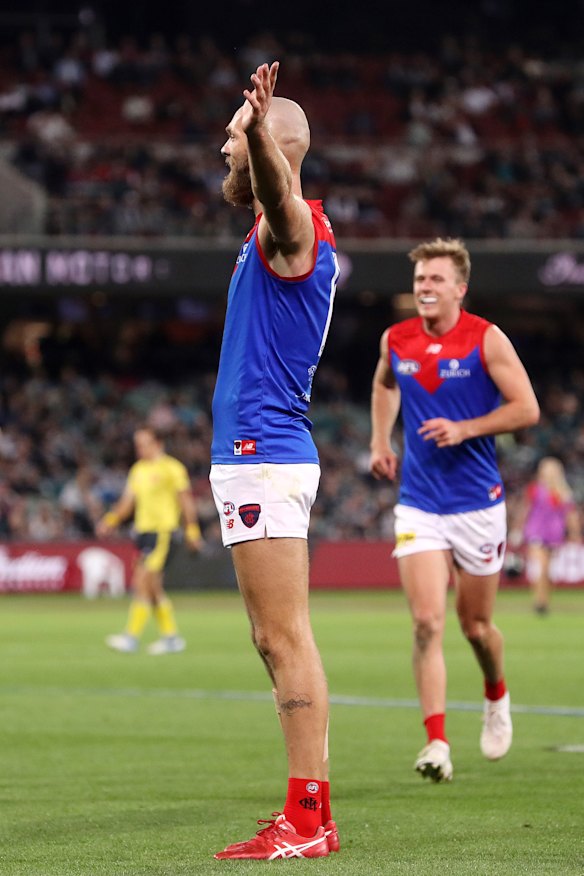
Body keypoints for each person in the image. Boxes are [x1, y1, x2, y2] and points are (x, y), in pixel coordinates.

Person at [209, 61, 340, 860]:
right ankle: (309, 812)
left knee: (284, 638)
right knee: (276, 638)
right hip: (255, 457)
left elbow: (280, 198)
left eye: (235, 135)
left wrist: (258, 133)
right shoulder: (269, 241)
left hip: (266, 457)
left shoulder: (291, 233)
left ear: (271, 146)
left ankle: (307, 820)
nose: (223, 146)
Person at [369, 237, 540, 783]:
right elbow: (383, 384)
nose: (424, 287)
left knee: (476, 626)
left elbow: (527, 409)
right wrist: (380, 441)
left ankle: (495, 695)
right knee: (425, 622)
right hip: (420, 504)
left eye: (436, 279)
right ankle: (437, 742)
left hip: (478, 504)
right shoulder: (396, 338)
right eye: (420, 279)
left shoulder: (485, 339)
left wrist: (466, 428)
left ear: (459, 289)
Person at [96, 425, 203, 655]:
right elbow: (127, 502)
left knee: (142, 581)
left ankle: (131, 637)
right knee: (153, 588)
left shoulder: (172, 468)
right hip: (143, 533)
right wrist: (111, 519)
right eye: (137, 445)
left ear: (158, 443)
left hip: (162, 533)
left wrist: (192, 530)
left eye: (144, 444)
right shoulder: (138, 470)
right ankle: (171, 637)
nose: (139, 449)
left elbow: (185, 500)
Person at [519, 457, 581, 614]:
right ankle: (539, 601)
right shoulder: (535, 489)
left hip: (554, 533)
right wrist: (519, 528)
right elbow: (526, 509)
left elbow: (570, 514)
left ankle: (544, 600)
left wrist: (574, 532)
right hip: (536, 531)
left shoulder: (562, 492)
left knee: (548, 570)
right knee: (541, 567)